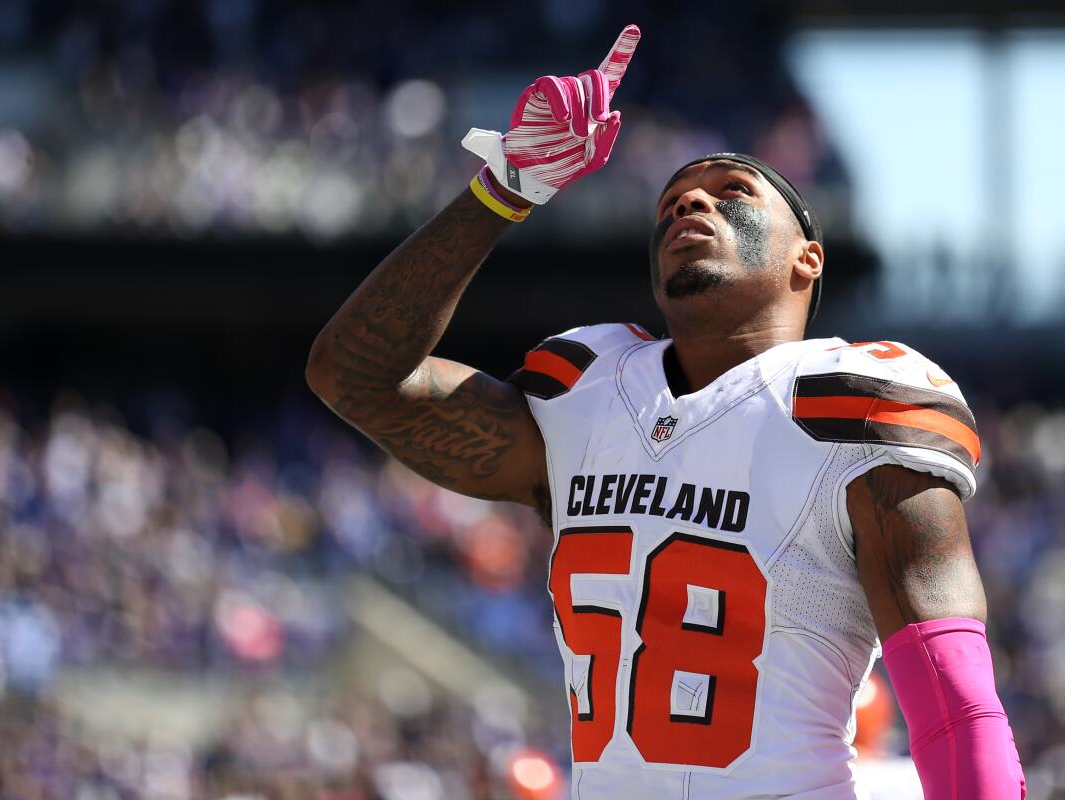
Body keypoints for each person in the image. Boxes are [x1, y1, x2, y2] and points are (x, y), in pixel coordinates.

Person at [307, 24, 1026, 800]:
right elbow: (356, 377)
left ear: (806, 258)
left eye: (733, 192)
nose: (690, 199)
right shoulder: (582, 395)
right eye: (674, 201)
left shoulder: (854, 406)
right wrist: (503, 189)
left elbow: (955, 699)